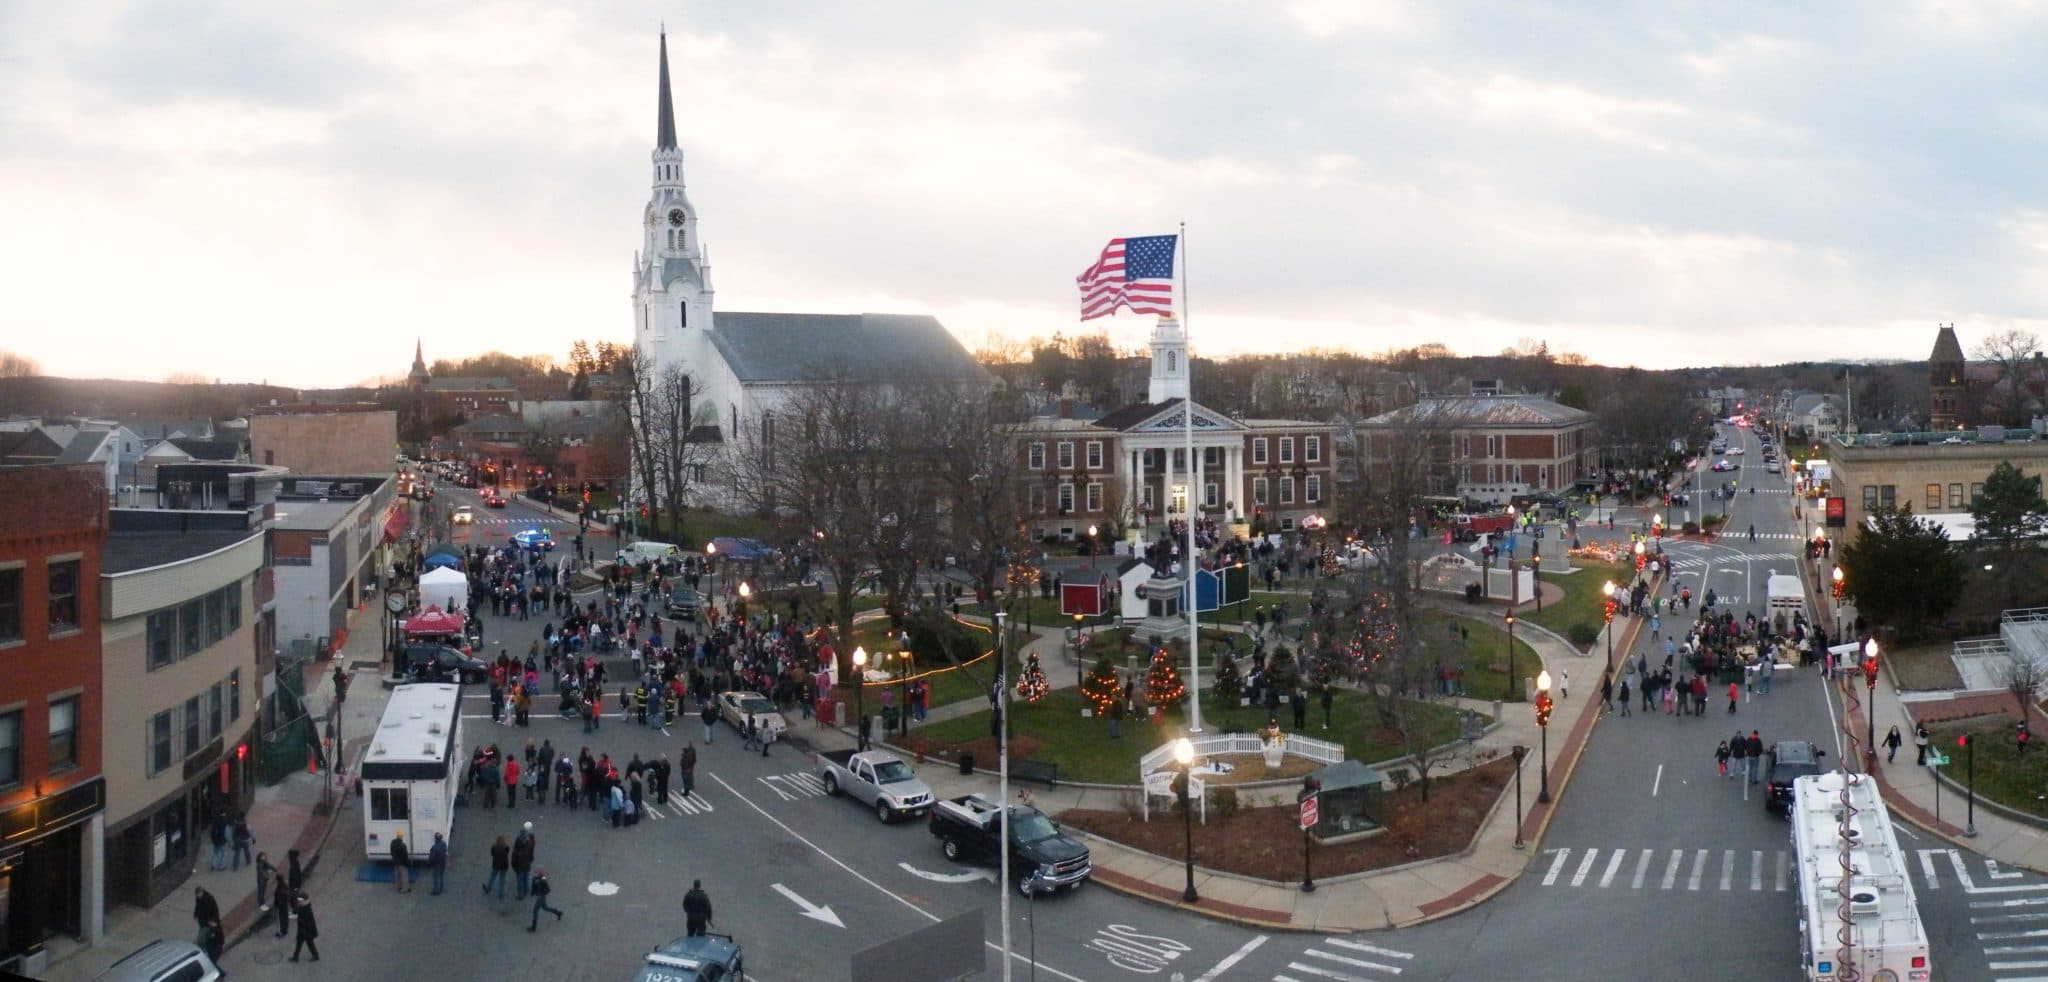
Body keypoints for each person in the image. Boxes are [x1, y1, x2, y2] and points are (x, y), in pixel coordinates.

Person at [288, 891, 320, 962]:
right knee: (300, 943)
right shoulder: (303, 906)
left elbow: (305, 921)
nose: (299, 902)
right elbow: (297, 910)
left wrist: (295, 918)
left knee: (309, 943)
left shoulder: (306, 909)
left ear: (304, 901)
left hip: (306, 931)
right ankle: (296, 957)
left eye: (300, 901)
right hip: (303, 930)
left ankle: (315, 955)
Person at [512, 822, 536, 898]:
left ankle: (520, 895)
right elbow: (532, 850)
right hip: (527, 862)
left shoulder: (519, 846)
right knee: (526, 877)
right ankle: (526, 891)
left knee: (520, 880)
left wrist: (514, 864)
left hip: (520, 865)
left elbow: (515, 856)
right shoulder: (531, 840)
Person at [484, 834, 511, 898]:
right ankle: (501, 894)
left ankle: (488, 888)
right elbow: (507, 852)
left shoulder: (494, 847)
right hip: (504, 865)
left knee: (492, 877)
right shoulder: (506, 848)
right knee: (502, 880)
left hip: (496, 864)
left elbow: (492, 854)